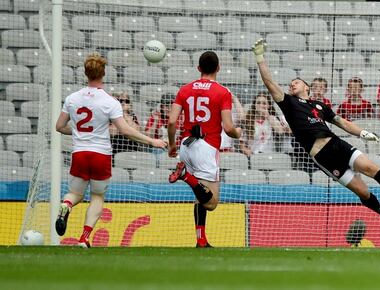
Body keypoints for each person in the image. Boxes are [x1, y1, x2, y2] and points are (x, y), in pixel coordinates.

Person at [252, 39, 380, 225]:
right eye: (291, 84)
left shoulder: (320, 106)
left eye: (296, 82)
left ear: (306, 87)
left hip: (337, 144)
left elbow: (342, 123)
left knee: (371, 168)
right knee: (362, 191)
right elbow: (270, 83)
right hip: (323, 156)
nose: (292, 85)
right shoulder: (289, 103)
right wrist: (260, 57)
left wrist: (363, 133)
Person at [54, 53, 166, 247]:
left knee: (75, 193)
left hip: (80, 153)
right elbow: (125, 130)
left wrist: (78, 132)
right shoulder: (110, 102)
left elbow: (59, 126)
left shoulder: (72, 99)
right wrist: (151, 141)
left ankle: (66, 206)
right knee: (97, 196)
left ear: (86, 73)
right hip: (101, 154)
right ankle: (84, 239)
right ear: (103, 73)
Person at [167, 51, 242, 248]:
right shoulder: (222, 92)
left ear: (198, 68)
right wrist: (238, 133)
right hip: (206, 147)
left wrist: (172, 144)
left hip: (185, 146)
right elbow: (228, 128)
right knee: (212, 202)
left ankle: (201, 240)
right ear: (218, 68)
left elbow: (172, 121)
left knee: (201, 195)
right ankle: (185, 176)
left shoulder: (184, 89)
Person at [239, 91, 291, 156]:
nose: (261, 105)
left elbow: (280, 131)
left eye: (264, 103)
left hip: (269, 156)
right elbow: (242, 145)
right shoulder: (249, 120)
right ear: (254, 105)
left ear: (268, 106)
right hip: (253, 156)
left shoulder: (272, 118)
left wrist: (267, 116)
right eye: (258, 103)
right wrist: (250, 154)